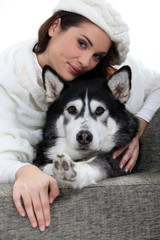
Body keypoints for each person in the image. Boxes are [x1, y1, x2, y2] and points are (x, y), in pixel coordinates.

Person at [0, 0, 160, 232]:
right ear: (55, 27)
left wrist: (139, 126)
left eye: (97, 55)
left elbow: (156, 84)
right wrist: (24, 171)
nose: (86, 62)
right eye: (81, 43)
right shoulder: (8, 83)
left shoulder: (98, 71)